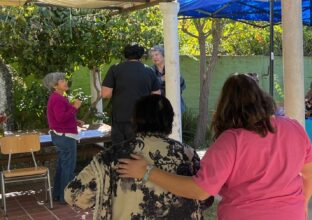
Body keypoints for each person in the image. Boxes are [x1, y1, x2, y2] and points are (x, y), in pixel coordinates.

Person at [117, 75, 312, 219]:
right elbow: (310, 173)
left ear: (226, 106)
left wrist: (146, 171)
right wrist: (303, 204)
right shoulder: (293, 128)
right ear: (261, 98)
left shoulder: (231, 141)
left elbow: (200, 190)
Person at [65, 95, 208, 219]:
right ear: (170, 120)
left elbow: (73, 195)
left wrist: (107, 197)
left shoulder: (112, 156)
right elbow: (206, 198)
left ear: (135, 120)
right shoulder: (187, 154)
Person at [102, 43, 161, 145]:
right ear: (141, 55)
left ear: (125, 54)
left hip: (120, 118)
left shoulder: (115, 69)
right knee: (140, 152)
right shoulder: (149, 71)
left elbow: (105, 94)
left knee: (121, 152)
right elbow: (156, 97)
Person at [43, 72, 82, 203]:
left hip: (61, 135)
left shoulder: (58, 97)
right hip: (65, 137)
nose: (65, 82)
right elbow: (60, 118)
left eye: (64, 79)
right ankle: (66, 197)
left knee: (62, 166)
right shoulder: (58, 98)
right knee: (68, 168)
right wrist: (75, 108)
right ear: (55, 85)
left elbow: (59, 117)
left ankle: (58, 194)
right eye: (61, 81)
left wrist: (75, 121)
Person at [150, 45, 186, 113]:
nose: (154, 57)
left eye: (156, 54)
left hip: (175, 104)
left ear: (163, 55)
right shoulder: (151, 70)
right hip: (158, 106)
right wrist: (162, 79)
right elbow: (150, 86)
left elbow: (182, 85)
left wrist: (176, 77)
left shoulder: (172, 67)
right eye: (152, 56)